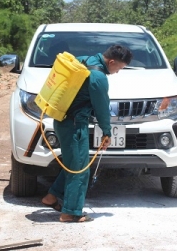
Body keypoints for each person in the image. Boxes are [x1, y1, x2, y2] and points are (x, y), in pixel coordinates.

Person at [41, 44, 133, 222]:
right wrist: (107, 133)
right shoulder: (98, 77)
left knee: (74, 164)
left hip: (63, 121)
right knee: (81, 170)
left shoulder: (84, 60)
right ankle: (71, 213)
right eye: (119, 68)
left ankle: (51, 197)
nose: (118, 72)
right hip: (75, 126)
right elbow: (102, 109)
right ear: (111, 61)